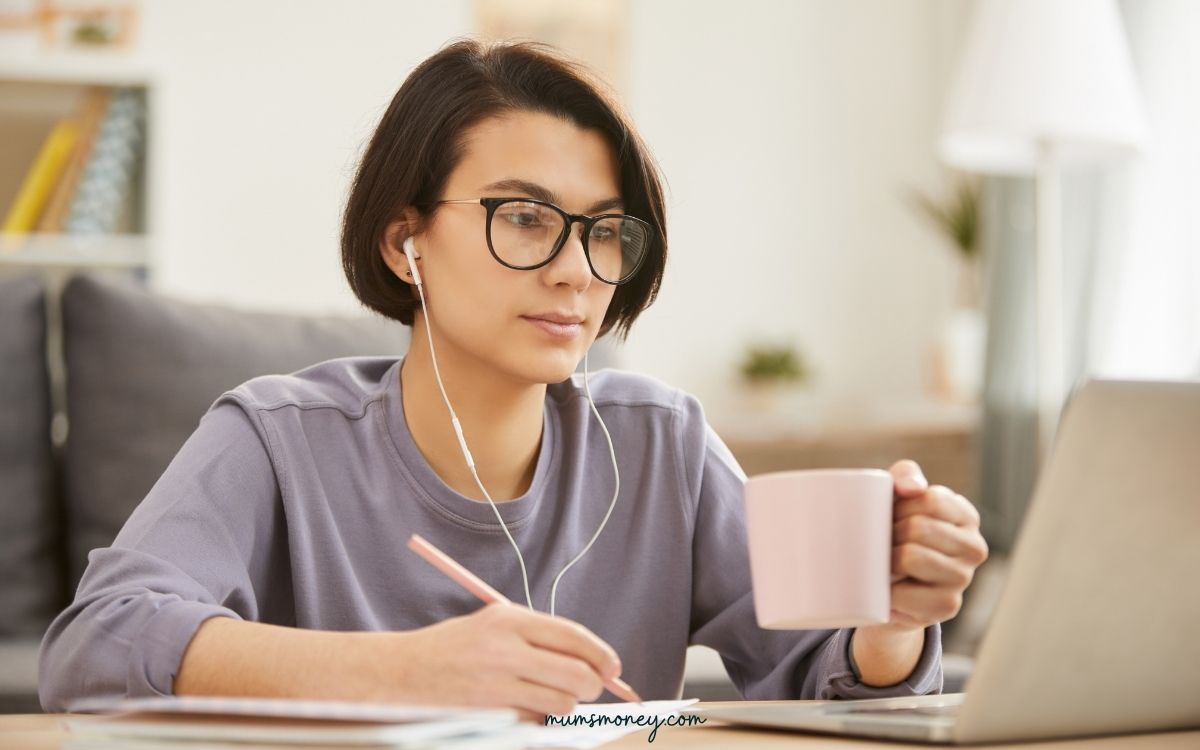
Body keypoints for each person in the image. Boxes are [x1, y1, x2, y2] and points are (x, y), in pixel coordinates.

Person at [38, 39, 988, 722]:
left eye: (606, 230)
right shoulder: (277, 436)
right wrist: (402, 674)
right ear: (405, 242)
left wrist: (891, 619)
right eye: (527, 218)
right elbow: (99, 642)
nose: (577, 269)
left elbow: (828, 679)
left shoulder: (664, 442)